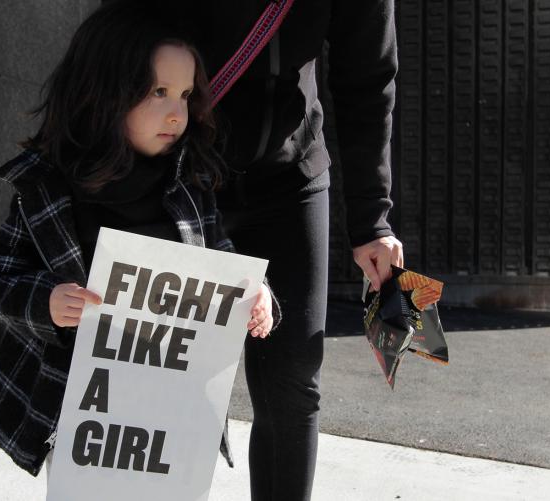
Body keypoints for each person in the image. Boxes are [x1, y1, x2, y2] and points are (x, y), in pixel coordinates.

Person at [0, 1, 277, 476]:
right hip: (80, 410)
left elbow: (222, 259)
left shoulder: (190, 183)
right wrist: (47, 303)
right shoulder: (49, 189)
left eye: (185, 94)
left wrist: (255, 295)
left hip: (169, 404)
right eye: (159, 91)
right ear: (106, 92)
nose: (177, 113)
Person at [164, 1, 406, 500]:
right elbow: (121, 33)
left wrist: (371, 220)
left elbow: (368, 78)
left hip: (290, 176)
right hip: (180, 170)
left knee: (292, 384)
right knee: (160, 378)